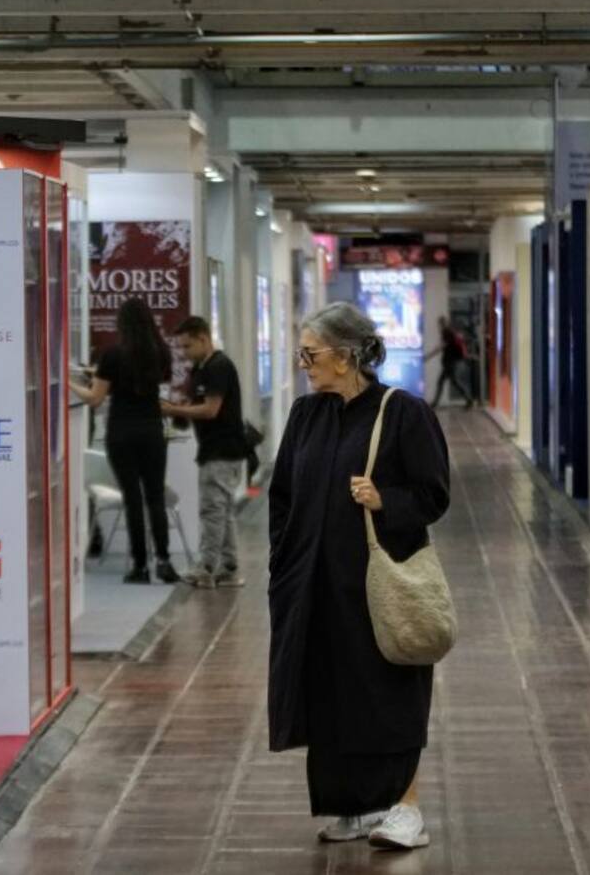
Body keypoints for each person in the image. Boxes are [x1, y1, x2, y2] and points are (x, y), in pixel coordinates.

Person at [268, 302, 450, 851]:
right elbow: (282, 496)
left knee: (388, 691)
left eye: (311, 353)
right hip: (313, 588)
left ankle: (404, 808)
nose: (304, 363)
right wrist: (283, 562)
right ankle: (352, 805)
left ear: (347, 357)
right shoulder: (306, 415)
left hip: (376, 587)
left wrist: (383, 500)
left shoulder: (403, 414)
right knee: (327, 692)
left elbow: (434, 496)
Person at [70, 299, 179, 585]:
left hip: (121, 432)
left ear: (123, 323)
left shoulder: (112, 354)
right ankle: (164, 561)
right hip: (153, 430)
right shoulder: (160, 352)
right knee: (155, 497)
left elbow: (95, 398)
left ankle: (140, 566)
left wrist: (68, 383)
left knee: (133, 499)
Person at [160, 317, 247, 590]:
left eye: (187, 346)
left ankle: (207, 568)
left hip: (223, 451)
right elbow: (196, 406)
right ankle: (229, 568)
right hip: (215, 450)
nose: (184, 353)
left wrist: (174, 410)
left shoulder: (219, 367)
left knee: (212, 511)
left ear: (203, 338)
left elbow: (211, 410)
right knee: (223, 511)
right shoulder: (201, 368)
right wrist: (182, 408)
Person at [426, 316, 473, 409]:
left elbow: (441, 347)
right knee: (451, 382)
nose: (438, 326)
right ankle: (469, 400)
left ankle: (435, 403)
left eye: (439, 324)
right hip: (450, 362)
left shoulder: (446, 332)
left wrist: (428, 356)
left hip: (449, 363)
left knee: (443, 382)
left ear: (442, 324)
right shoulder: (449, 332)